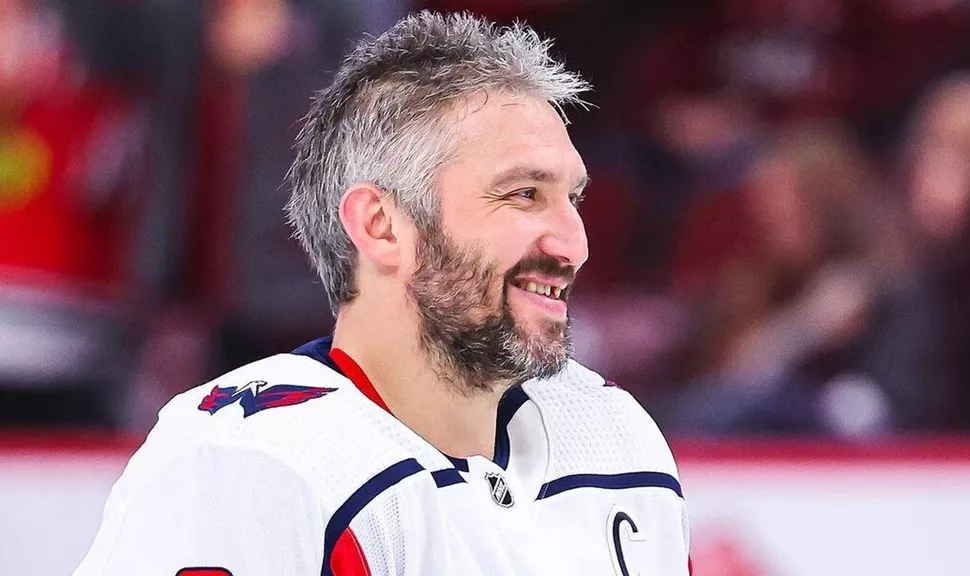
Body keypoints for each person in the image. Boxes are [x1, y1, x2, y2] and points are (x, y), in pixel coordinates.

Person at [74, 11, 691, 575]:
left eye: (572, 197)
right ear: (381, 226)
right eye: (523, 194)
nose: (574, 245)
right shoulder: (248, 465)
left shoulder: (617, 440)